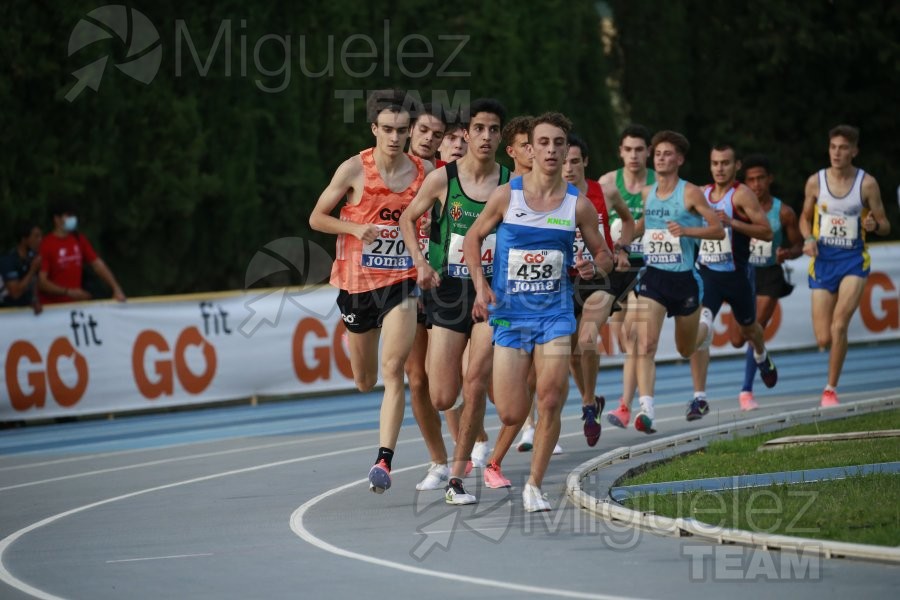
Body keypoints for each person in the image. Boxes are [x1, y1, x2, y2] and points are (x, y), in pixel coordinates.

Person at [465, 112, 614, 511]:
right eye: (543, 142)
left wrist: (594, 266)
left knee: (550, 398)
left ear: (567, 150)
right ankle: (501, 454)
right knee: (512, 410)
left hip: (555, 315)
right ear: (529, 148)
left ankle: (534, 484)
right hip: (511, 317)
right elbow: (473, 239)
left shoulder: (576, 205)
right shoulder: (505, 196)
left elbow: (605, 255)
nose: (551, 150)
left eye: (558, 143)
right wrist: (481, 286)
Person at [309, 90, 432, 493]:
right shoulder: (353, 169)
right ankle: (368, 388)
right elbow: (316, 218)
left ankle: (384, 460)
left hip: (402, 281)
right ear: (374, 129)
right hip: (356, 284)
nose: (395, 138)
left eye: (402, 130)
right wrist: (353, 228)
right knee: (365, 379)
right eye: (388, 130)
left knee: (394, 369)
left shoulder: (424, 170)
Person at [399, 98, 509, 504]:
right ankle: (468, 434)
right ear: (464, 135)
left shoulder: (511, 183)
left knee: (475, 380)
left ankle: (457, 478)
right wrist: (421, 263)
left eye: (493, 129)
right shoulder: (443, 179)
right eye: (477, 129)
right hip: (447, 292)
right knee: (442, 395)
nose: (484, 136)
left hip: (492, 295)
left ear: (501, 135)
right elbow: (407, 219)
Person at [625, 131, 724, 434]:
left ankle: (704, 325)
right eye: (658, 154)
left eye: (668, 154)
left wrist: (687, 232)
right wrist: (620, 243)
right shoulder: (647, 193)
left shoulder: (691, 193)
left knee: (685, 349)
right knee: (646, 343)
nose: (662, 159)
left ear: (679, 159)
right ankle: (646, 410)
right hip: (654, 276)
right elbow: (644, 226)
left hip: (684, 280)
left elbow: (718, 230)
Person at [800, 125, 890, 406]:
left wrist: (875, 224)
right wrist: (809, 237)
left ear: (854, 151)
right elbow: (804, 219)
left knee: (840, 326)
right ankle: (834, 307)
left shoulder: (867, 184)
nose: (837, 153)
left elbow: (885, 225)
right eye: (833, 147)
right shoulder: (815, 182)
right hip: (823, 262)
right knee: (823, 337)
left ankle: (830, 389)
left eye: (843, 148)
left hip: (853, 260)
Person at [688, 144, 777, 419]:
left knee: (749, 331)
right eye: (715, 163)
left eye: (725, 163)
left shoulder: (742, 195)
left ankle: (761, 355)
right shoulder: (700, 194)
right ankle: (699, 398)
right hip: (708, 276)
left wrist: (732, 223)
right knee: (700, 329)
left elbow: (767, 232)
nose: (719, 168)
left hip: (738, 276)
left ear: (736, 165)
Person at [563, 134, 633, 446]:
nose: (568, 168)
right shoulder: (547, 195)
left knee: (588, 339)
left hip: (600, 277)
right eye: (563, 161)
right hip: (564, 280)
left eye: (574, 161)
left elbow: (628, 221)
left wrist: (622, 248)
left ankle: (589, 407)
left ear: (585, 162)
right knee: (572, 355)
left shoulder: (604, 191)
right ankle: (590, 399)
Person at [403, 103, 454, 491]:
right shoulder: (384, 170)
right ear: (408, 129)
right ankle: (438, 460)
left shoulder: (445, 176)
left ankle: (475, 442)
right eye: (423, 130)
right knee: (415, 379)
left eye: (437, 135)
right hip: (398, 284)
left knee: (447, 378)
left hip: (439, 282)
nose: (429, 139)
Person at [730, 154, 803, 408]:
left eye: (761, 178)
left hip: (770, 275)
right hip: (744, 273)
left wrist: (788, 253)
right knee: (737, 339)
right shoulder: (738, 209)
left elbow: (798, 245)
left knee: (756, 327)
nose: (757, 184)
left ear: (769, 179)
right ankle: (764, 359)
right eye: (751, 180)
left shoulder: (784, 213)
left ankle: (746, 391)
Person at [600, 125, 656, 430]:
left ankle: (629, 406)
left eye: (639, 149)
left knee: (638, 339)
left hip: (645, 266)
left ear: (647, 151)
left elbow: (654, 219)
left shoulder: (658, 184)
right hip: (614, 270)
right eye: (628, 149)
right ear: (621, 152)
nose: (634, 155)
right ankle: (627, 403)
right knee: (623, 341)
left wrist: (628, 238)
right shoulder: (609, 183)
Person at [38, 202, 126, 304]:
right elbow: (41, 282)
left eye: (73, 216)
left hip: (76, 306)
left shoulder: (79, 240)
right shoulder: (46, 245)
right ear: (57, 219)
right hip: (54, 310)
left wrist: (115, 288)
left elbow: (97, 264)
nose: (73, 219)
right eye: (69, 216)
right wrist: (67, 292)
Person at [0, 221, 43, 314]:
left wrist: (34, 300)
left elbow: (35, 284)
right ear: (24, 239)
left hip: (25, 314)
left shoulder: (33, 258)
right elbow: (15, 293)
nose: (40, 240)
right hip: (6, 314)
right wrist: (32, 270)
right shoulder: (8, 260)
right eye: (36, 236)